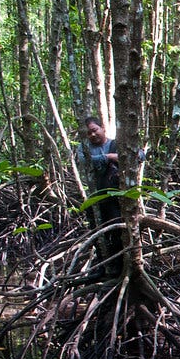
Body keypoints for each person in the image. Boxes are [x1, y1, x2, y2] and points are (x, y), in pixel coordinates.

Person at [75, 115, 123, 275]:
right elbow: (85, 161)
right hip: (96, 197)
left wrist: (110, 157)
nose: (93, 134)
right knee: (96, 232)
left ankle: (118, 265)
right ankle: (103, 264)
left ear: (102, 127)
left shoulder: (115, 144)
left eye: (94, 130)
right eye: (89, 133)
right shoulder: (84, 148)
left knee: (117, 230)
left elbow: (138, 156)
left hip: (115, 198)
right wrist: (110, 157)